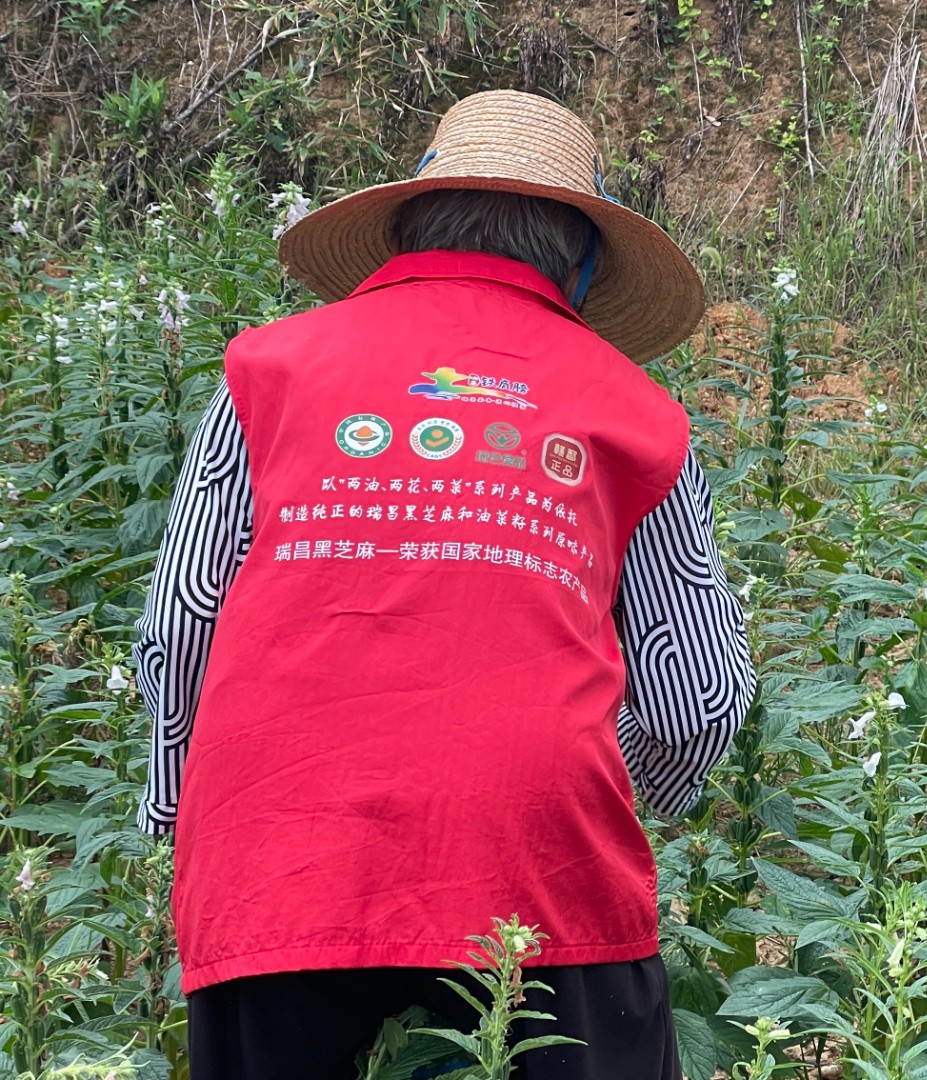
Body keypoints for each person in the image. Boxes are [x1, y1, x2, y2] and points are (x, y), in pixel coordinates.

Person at [135, 90, 756, 1080]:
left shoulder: (270, 369)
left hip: (277, 848)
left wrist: (187, 812)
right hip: (535, 862)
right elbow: (696, 701)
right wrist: (582, 798)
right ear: (582, 258)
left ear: (405, 226)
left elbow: (182, 621)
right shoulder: (637, 413)